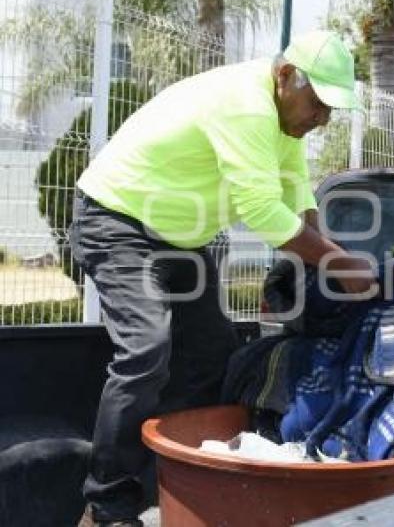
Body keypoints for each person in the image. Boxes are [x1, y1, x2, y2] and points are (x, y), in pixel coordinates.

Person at [70, 30, 376, 526]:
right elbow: (260, 211)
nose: (321, 118)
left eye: (330, 110)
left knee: (213, 353)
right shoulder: (245, 105)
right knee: (147, 350)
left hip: (179, 238)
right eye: (317, 103)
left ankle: (177, 484)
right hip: (116, 220)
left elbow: (294, 190)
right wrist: (340, 265)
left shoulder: (284, 122)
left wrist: (329, 260)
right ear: (285, 77)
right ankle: (106, 505)